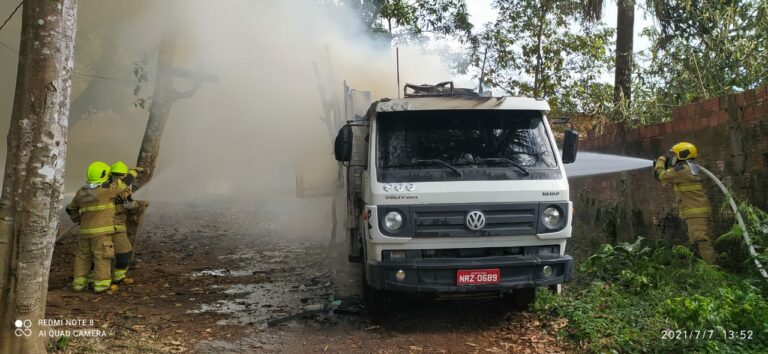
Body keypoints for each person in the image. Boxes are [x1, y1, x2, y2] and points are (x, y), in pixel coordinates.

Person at [66, 161, 125, 292]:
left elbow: (70, 209)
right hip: (102, 233)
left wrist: (78, 219)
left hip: (84, 232)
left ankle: (79, 283)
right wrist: (132, 172)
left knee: (83, 256)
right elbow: (122, 185)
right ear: (104, 175)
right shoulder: (107, 190)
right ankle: (101, 284)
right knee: (102, 257)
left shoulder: (81, 192)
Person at [654, 142, 716, 264]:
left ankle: (712, 272)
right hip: (697, 211)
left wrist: (661, 160)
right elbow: (669, 181)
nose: (673, 158)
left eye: (674, 155)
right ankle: (704, 269)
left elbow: (660, 175)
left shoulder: (681, 170)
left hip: (695, 212)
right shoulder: (689, 168)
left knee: (702, 241)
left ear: (682, 155)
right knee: (699, 240)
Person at [108, 161, 140, 283]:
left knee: (99, 251)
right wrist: (134, 205)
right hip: (116, 224)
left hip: (99, 224)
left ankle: (93, 278)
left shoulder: (101, 186)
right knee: (124, 250)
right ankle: (118, 276)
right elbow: (131, 205)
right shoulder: (122, 189)